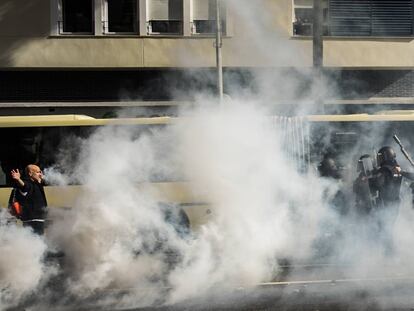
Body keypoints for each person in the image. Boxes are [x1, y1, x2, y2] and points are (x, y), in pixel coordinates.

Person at [10, 164, 48, 235]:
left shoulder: (36, 184)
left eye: (40, 172)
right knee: (36, 241)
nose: (40, 174)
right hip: (33, 219)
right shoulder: (28, 183)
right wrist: (18, 179)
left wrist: (40, 180)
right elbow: (24, 186)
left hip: (37, 218)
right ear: (30, 173)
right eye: (38, 172)